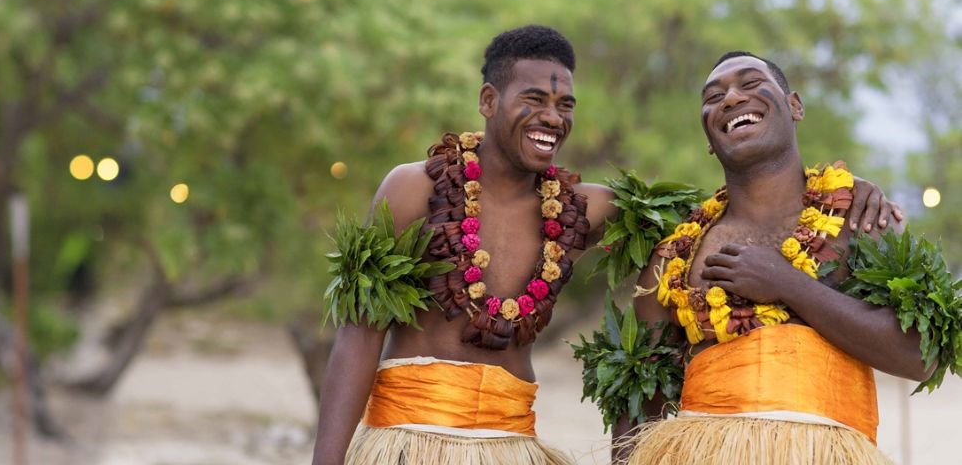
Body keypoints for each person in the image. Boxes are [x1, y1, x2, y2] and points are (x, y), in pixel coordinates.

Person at [313, 29, 899, 465]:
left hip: (511, 442)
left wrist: (846, 193)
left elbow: (726, 209)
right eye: (533, 99)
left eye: (564, 105)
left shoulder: (585, 208)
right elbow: (358, 334)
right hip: (407, 438)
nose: (551, 117)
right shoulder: (413, 188)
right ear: (489, 101)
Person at [614, 51, 923, 464]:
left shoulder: (861, 220)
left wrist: (786, 283)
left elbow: (922, 357)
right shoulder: (674, 257)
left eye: (750, 83)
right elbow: (640, 401)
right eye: (714, 96)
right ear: (709, 139)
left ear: (795, 106)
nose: (731, 98)